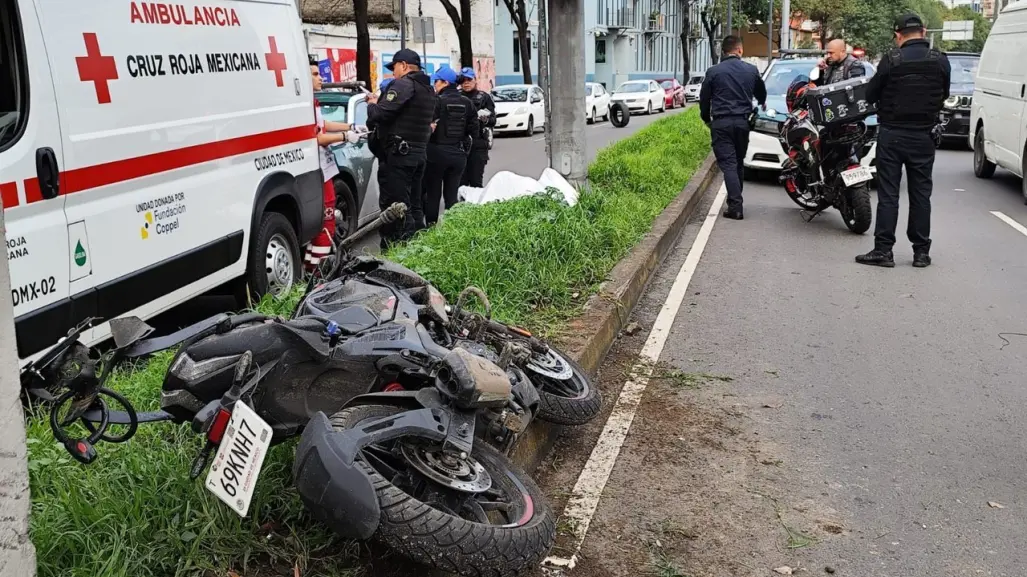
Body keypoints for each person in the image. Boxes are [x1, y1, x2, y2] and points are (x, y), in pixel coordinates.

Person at [855, 13, 950, 269]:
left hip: (893, 135)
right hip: (924, 137)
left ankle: (883, 251)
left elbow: (871, 94)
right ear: (924, 30)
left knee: (889, 195)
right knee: (921, 195)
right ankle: (921, 253)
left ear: (898, 35)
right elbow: (944, 92)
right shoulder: (940, 60)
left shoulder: (891, 60)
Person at [366, 49, 437, 249]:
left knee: (394, 208)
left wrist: (372, 103)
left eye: (394, 67)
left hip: (399, 157)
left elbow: (379, 115)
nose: (393, 73)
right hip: (417, 155)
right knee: (414, 205)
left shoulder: (403, 84)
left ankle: (395, 255)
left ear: (404, 66)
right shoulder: (427, 89)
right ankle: (417, 249)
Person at [699, 35, 767, 220]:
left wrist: (706, 118)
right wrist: (761, 103)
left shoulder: (713, 71)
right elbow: (761, 93)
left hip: (721, 123)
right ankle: (734, 201)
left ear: (723, 52)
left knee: (728, 164)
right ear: (740, 50)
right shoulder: (751, 70)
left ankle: (736, 207)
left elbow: (704, 99)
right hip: (743, 123)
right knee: (737, 162)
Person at [307, 54, 353, 271]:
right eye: (315, 75)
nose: (320, 79)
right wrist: (345, 138)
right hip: (317, 171)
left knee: (326, 222)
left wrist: (350, 127)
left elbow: (323, 125)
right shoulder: (304, 104)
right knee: (325, 224)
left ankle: (312, 269)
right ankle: (317, 275)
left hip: (324, 169)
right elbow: (318, 137)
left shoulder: (312, 102)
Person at [422, 65, 478, 227]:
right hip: (458, 155)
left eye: (436, 82)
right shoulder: (467, 102)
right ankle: (452, 231)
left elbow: (427, 125)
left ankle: (431, 230)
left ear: (445, 82)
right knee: (451, 195)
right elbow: (474, 130)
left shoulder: (436, 102)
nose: (435, 85)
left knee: (433, 194)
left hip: (435, 154)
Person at [457, 67, 496, 188]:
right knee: (460, 182)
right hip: (459, 143)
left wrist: (485, 119)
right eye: (463, 80)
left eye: (469, 79)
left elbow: (493, 120)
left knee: (476, 181)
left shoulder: (484, 97)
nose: (466, 83)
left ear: (475, 80)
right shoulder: (456, 97)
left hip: (478, 143)